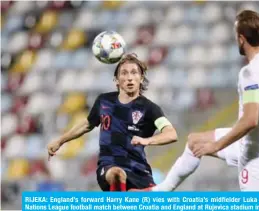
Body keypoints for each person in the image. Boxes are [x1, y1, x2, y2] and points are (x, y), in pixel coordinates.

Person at [130, 10, 259, 192]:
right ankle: (160, 193)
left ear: (242, 38)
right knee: (195, 142)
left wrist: (217, 146)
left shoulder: (251, 73)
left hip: (257, 156)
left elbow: (250, 121)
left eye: (236, 35)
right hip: (258, 140)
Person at [47, 54, 178, 191]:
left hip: (139, 170)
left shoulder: (150, 108)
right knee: (117, 173)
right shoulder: (104, 101)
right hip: (108, 166)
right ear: (116, 80)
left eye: (134, 73)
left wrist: (148, 140)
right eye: (124, 73)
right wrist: (60, 141)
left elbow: (172, 134)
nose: (129, 77)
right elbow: (87, 124)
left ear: (141, 78)